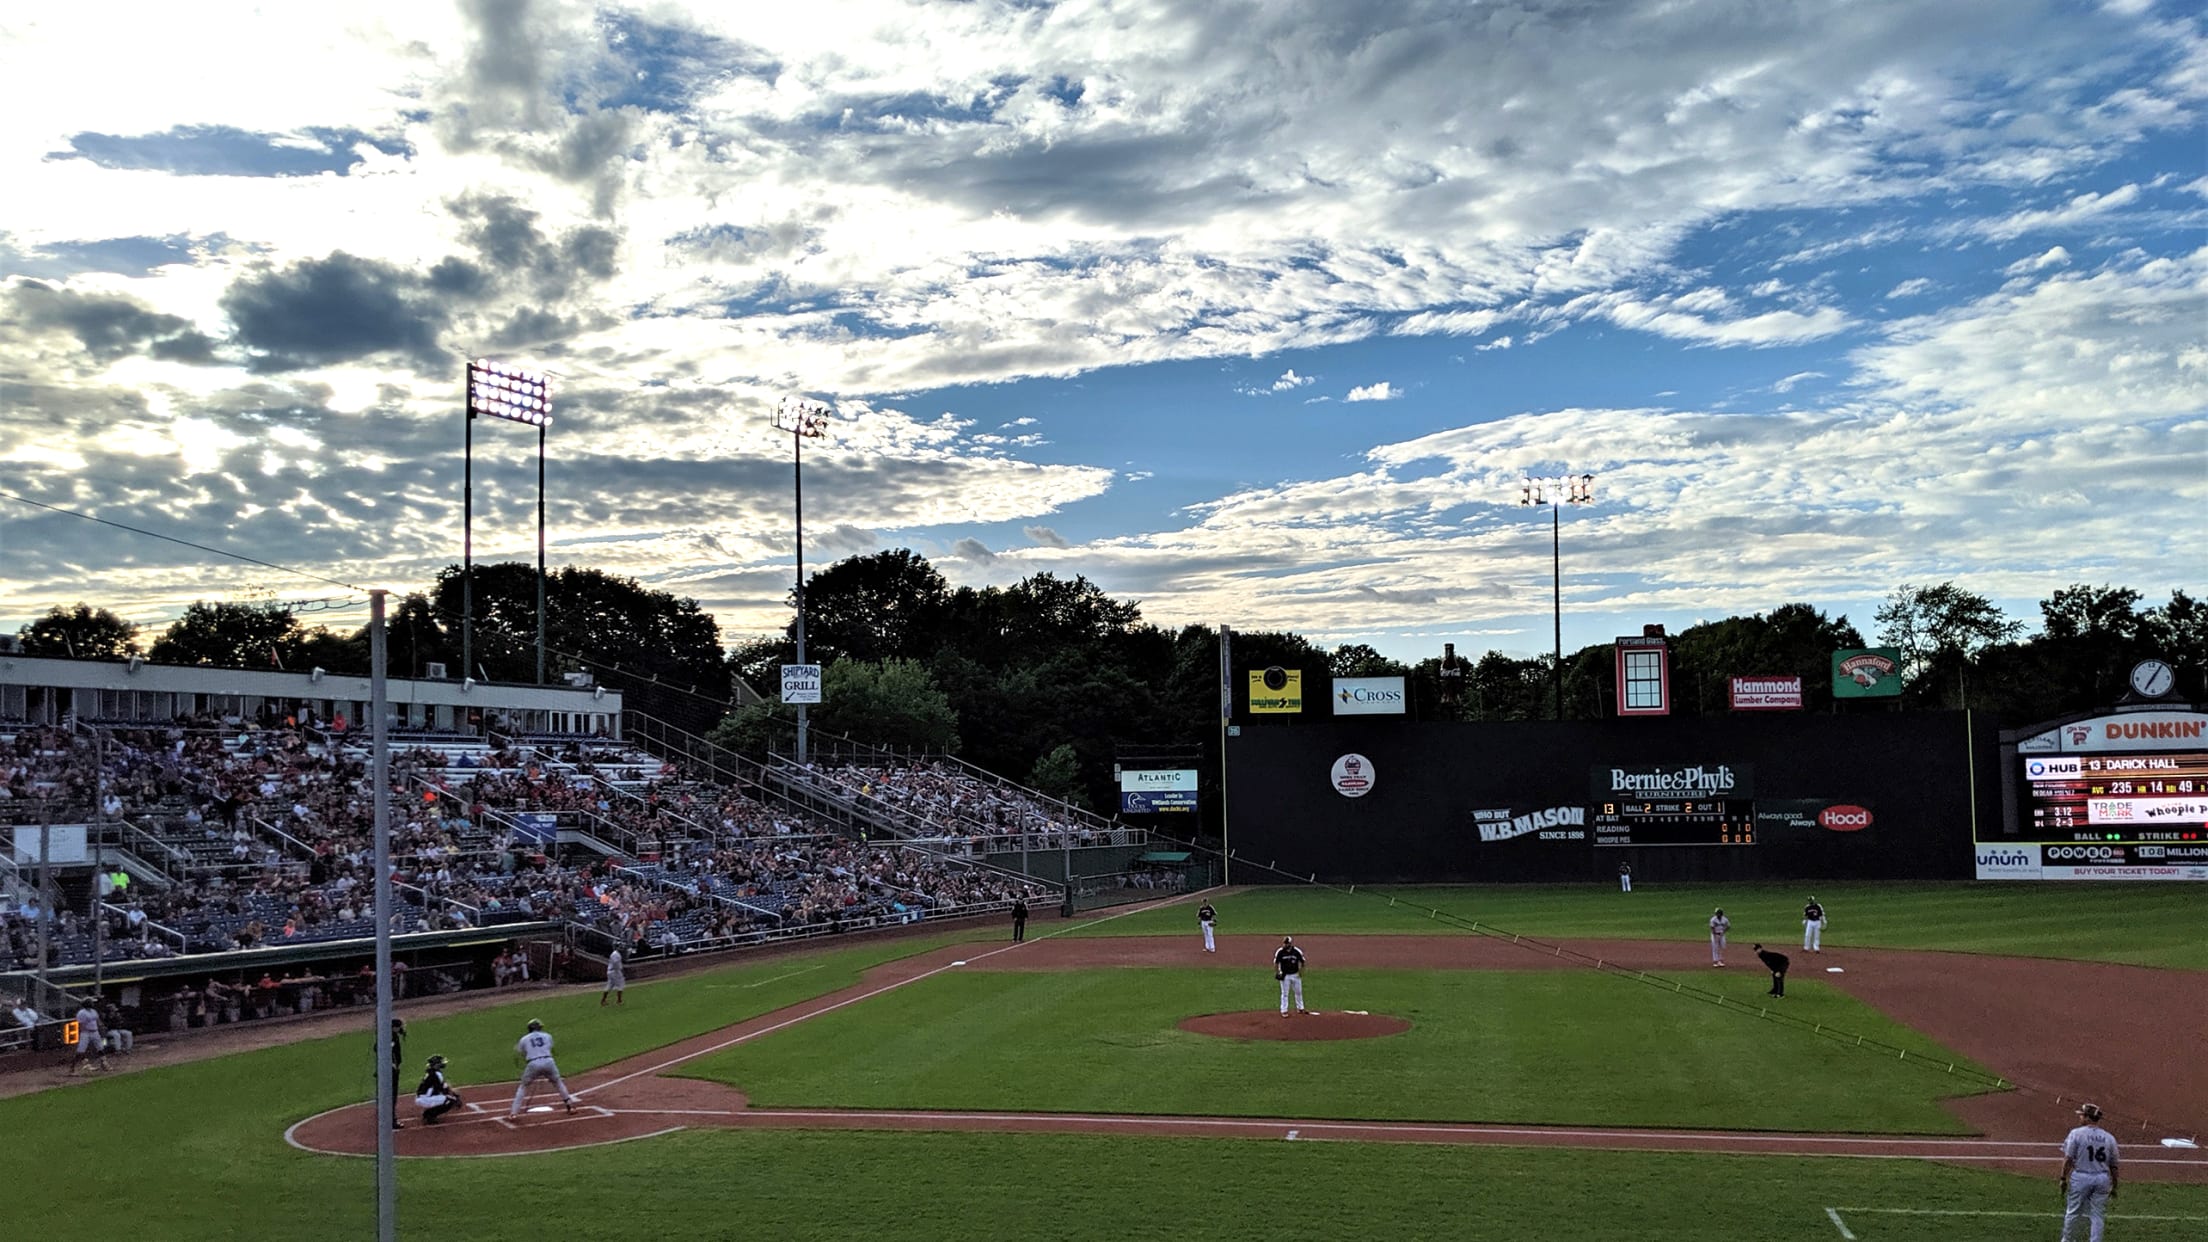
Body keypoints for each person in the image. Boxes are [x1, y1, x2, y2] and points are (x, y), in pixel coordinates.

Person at [2059, 1102, 2120, 1242]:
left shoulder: (2076, 1134)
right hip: (2102, 1178)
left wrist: (2063, 1178)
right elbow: (2114, 1166)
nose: (2080, 1118)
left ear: (2087, 1117)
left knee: (2073, 1211)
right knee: (2097, 1214)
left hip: (2081, 1176)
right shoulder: (2109, 1138)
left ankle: (2068, 1240)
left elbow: (2068, 1158)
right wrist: (2115, 1185)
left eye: (2081, 1115)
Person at [510, 1019, 578, 1117]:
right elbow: (549, 1047)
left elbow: (522, 1053)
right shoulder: (547, 1036)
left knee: (523, 1086)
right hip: (549, 1061)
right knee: (558, 1082)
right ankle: (570, 1106)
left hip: (533, 1063)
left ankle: (514, 1113)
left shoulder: (524, 1039)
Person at [414, 1054, 463, 1125]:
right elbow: (443, 1090)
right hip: (425, 1098)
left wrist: (451, 1090)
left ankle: (429, 1113)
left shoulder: (431, 1072)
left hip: (422, 1096)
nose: (442, 1063)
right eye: (440, 1062)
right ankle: (429, 1115)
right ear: (436, 1064)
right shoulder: (436, 1074)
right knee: (450, 1101)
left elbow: (441, 1085)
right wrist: (453, 1095)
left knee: (448, 1097)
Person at [69, 998, 110, 1075]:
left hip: (95, 1032)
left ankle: (104, 1064)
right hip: (85, 1033)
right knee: (80, 1051)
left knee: (100, 1047)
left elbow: (98, 1021)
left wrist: (101, 1028)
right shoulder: (81, 1013)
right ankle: (72, 1068)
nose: (92, 1004)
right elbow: (79, 1024)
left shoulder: (93, 1011)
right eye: (91, 1002)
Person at [1274, 936, 1307, 1016]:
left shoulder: (1296, 951)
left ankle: (1300, 1008)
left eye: (1286, 943)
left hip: (1295, 975)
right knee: (1285, 993)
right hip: (1285, 976)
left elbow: (1303, 962)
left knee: (1298, 992)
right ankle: (1284, 1010)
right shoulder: (1280, 952)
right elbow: (1276, 963)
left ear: (1290, 943)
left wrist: (1301, 972)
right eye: (1284, 943)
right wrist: (1278, 972)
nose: (1284, 944)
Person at [384, 1017, 408, 1128]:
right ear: (394, 1027)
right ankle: (391, 1120)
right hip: (390, 1071)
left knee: (389, 1095)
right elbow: (381, 1049)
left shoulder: (389, 1036)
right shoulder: (390, 1037)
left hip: (389, 1069)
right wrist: (392, 1064)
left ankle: (387, 1117)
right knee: (391, 1095)